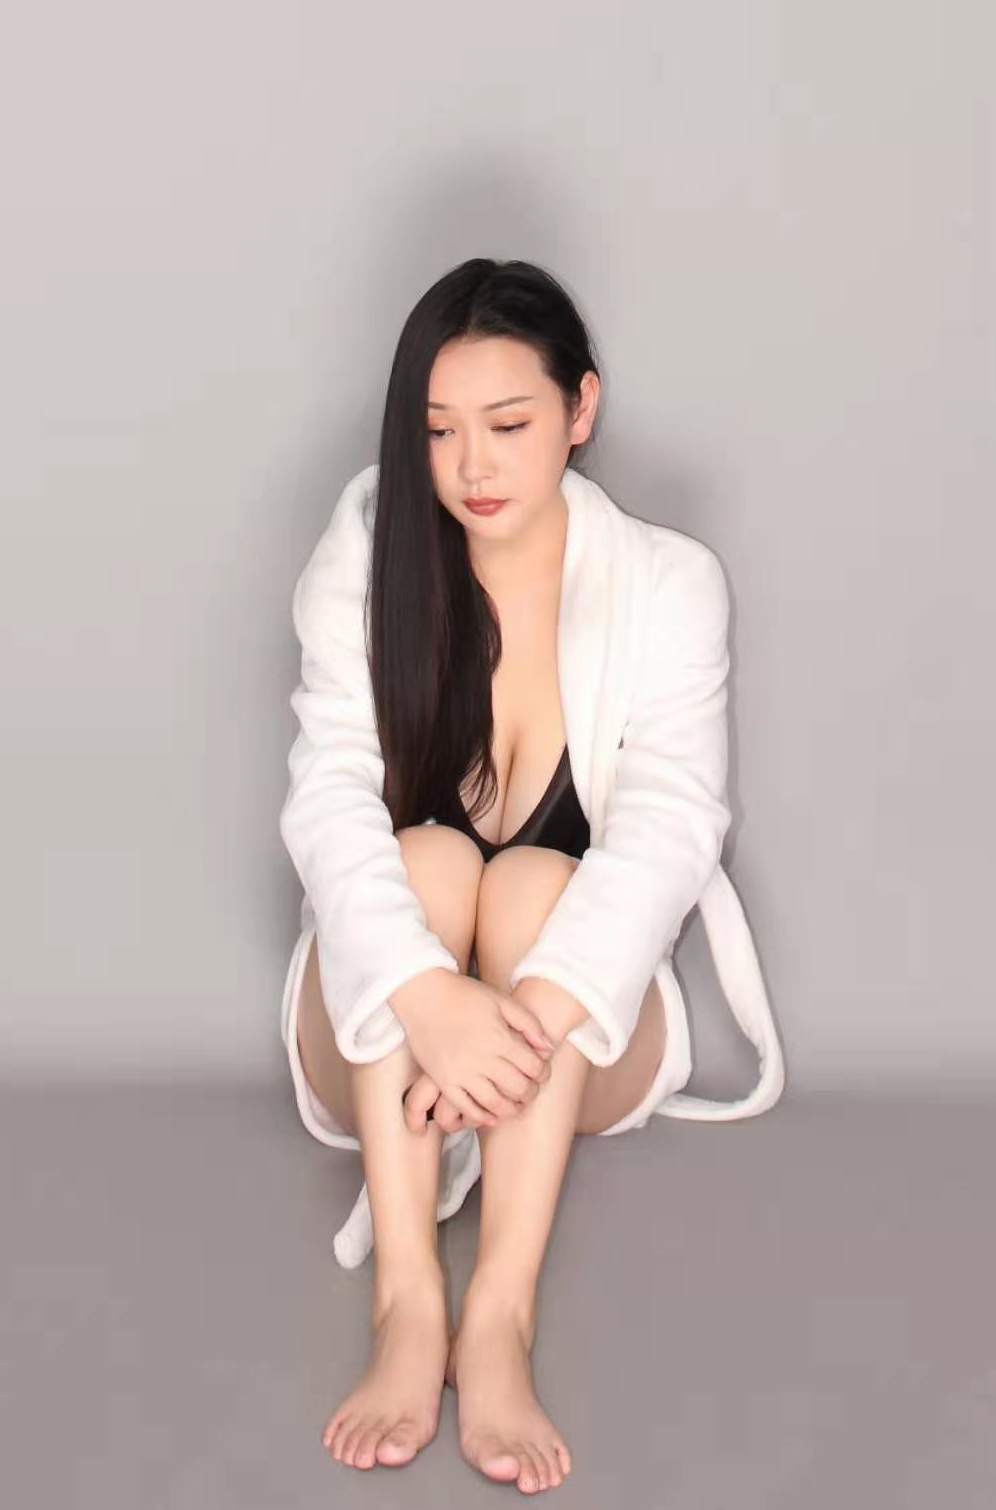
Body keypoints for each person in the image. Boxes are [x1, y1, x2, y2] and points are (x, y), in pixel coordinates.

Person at [279, 257, 784, 1492]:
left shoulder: (669, 584)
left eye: (509, 425)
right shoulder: (368, 560)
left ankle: (498, 1315)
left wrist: (516, 1028)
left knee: (535, 888)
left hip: (576, 1040)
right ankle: (410, 1300)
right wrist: (429, 1000)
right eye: (438, 430)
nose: (473, 467)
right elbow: (327, 800)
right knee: (427, 858)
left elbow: (673, 824)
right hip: (383, 1035)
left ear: (582, 408)